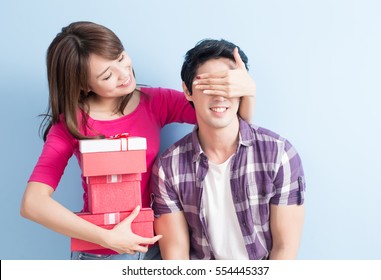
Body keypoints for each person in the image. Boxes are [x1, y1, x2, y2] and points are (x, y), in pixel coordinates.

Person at [19, 22, 256, 260]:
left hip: (156, 247)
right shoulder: (70, 125)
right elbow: (33, 203)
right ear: (83, 85)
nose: (124, 74)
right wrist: (108, 238)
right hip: (104, 255)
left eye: (121, 58)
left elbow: (228, 122)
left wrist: (248, 91)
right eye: (107, 75)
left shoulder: (155, 101)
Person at [151, 39, 306, 260]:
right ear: (187, 91)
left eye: (228, 84)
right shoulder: (169, 167)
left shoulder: (279, 155)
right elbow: (176, 256)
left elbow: (285, 249)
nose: (219, 94)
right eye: (208, 84)